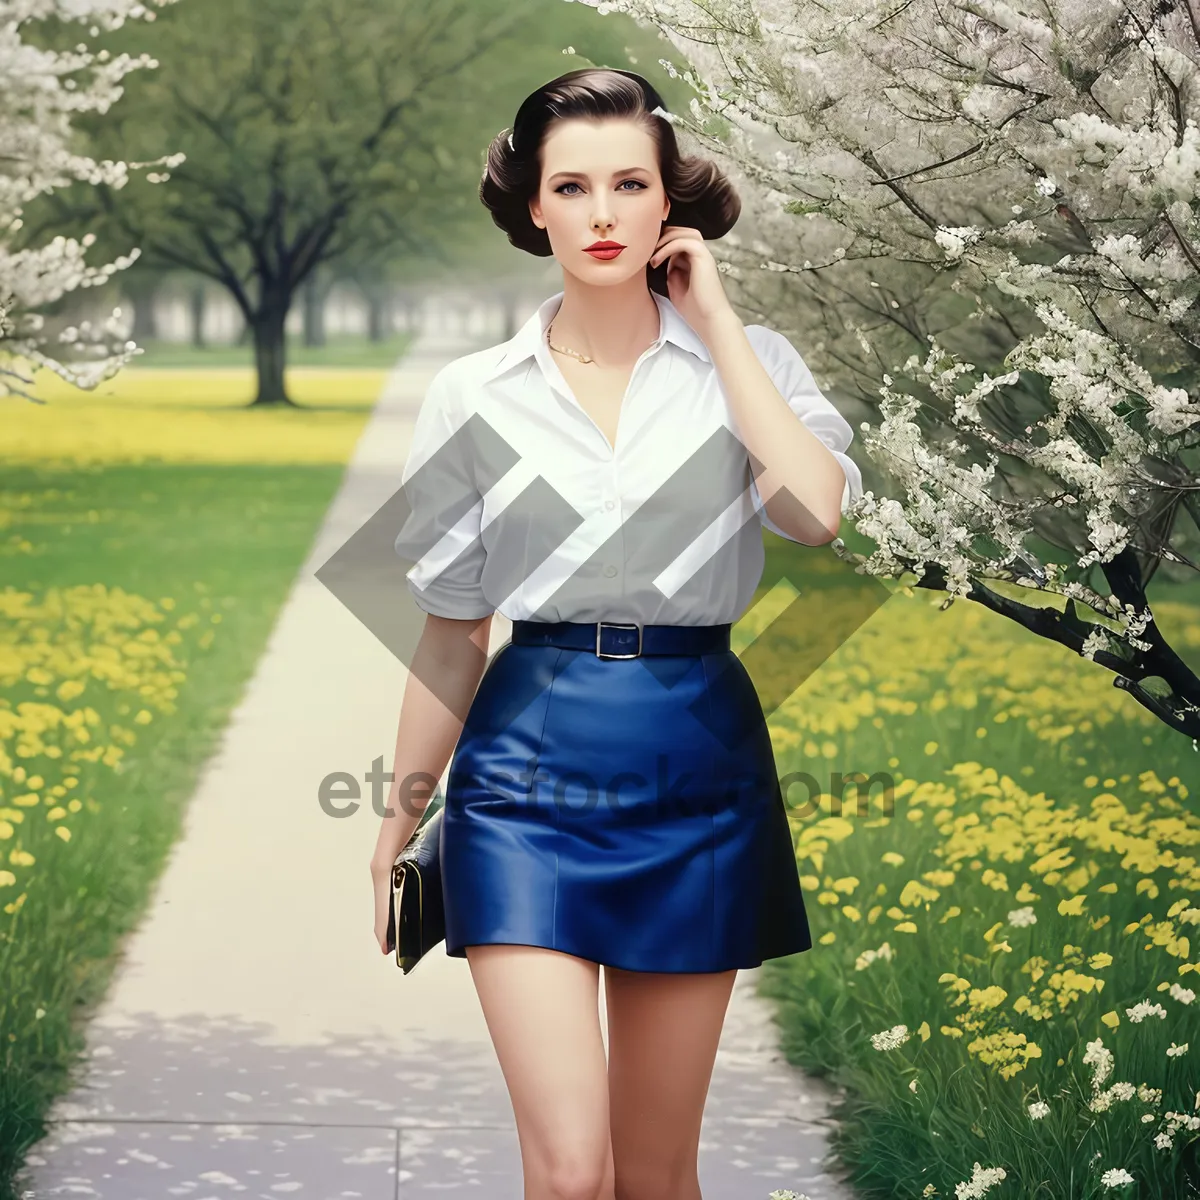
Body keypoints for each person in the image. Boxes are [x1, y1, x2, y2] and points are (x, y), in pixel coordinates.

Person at [370, 67, 864, 1200]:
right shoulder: (473, 394)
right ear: (533, 206)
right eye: (573, 186)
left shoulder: (753, 368)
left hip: (699, 769)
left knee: (654, 1172)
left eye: (629, 183)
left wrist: (721, 323)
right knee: (573, 1168)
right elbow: (453, 632)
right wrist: (399, 819)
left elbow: (816, 514)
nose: (602, 213)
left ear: (668, 203)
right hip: (522, 782)